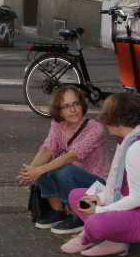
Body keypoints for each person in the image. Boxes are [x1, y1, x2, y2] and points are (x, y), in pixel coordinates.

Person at [57, 91, 140, 257]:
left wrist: (100, 210)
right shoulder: (131, 138)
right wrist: (100, 199)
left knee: (95, 222)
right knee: (77, 197)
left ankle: (96, 236)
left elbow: (137, 199)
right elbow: (114, 183)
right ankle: (112, 237)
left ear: (117, 121)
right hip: (131, 207)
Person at [18, 86, 114, 235]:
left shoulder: (95, 129)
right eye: (66, 106)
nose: (73, 110)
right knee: (44, 168)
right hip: (72, 177)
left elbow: (71, 156)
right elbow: (47, 149)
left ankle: (78, 215)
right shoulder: (58, 124)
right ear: (59, 111)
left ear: (82, 104)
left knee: (63, 171)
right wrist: (29, 172)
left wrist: (38, 170)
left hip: (98, 185)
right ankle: (58, 211)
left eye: (76, 104)